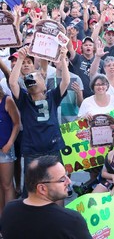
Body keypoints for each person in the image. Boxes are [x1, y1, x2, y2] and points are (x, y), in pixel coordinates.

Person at [9, 47, 69, 199]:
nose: (31, 79)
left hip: (52, 148)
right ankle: (31, 220)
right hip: (32, 151)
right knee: (31, 188)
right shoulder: (24, 100)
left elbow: (66, 81)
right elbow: (13, 82)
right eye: (28, 78)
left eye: (35, 77)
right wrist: (21, 59)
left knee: (58, 187)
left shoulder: (52, 97)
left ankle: (57, 218)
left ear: (44, 82)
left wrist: (62, 58)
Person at [0, 155, 92, 239]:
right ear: (42, 188)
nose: (69, 182)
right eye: (62, 179)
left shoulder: (9, 209)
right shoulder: (72, 220)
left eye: (67, 175)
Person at [0, 85, 20, 217]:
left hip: (5, 148)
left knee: (7, 185)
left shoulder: (7, 100)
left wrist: (10, 143)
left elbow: (17, 123)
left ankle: (10, 218)